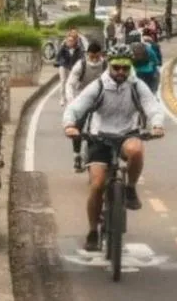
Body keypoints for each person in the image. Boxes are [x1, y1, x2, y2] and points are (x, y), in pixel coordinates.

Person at [63, 44, 165, 251]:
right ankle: (92, 230)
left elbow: (152, 106)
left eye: (125, 68)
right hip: (99, 135)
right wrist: (70, 125)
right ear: (109, 65)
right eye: (116, 67)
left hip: (127, 133)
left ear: (130, 68)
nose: (121, 72)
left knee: (137, 150)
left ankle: (130, 189)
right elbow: (75, 107)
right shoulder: (98, 86)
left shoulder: (136, 85)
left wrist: (156, 124)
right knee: (97, 184)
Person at [65, 41, 107, 171]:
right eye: (91, 56)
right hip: (82, 98)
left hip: (100, 99)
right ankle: (77, 155)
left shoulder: (106, 65)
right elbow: (70, 84)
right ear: (88, 54)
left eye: (97, 56)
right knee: (77, 126)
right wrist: (71, 100)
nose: (94, 59)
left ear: (101, 54)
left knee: (100, 128)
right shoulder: (81, 65)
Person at [56, 32, 85, 106]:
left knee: (70, 83)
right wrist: (63, 47)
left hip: (72, 67)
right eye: (68, 40)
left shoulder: (79, 49)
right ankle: (62, 98)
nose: (69, 42)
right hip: (63, 65)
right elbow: (58, 56)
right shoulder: (64, 47)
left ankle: (70, 97)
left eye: (71, 40)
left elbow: (81, 58)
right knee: (63, 81)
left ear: (75, 41)